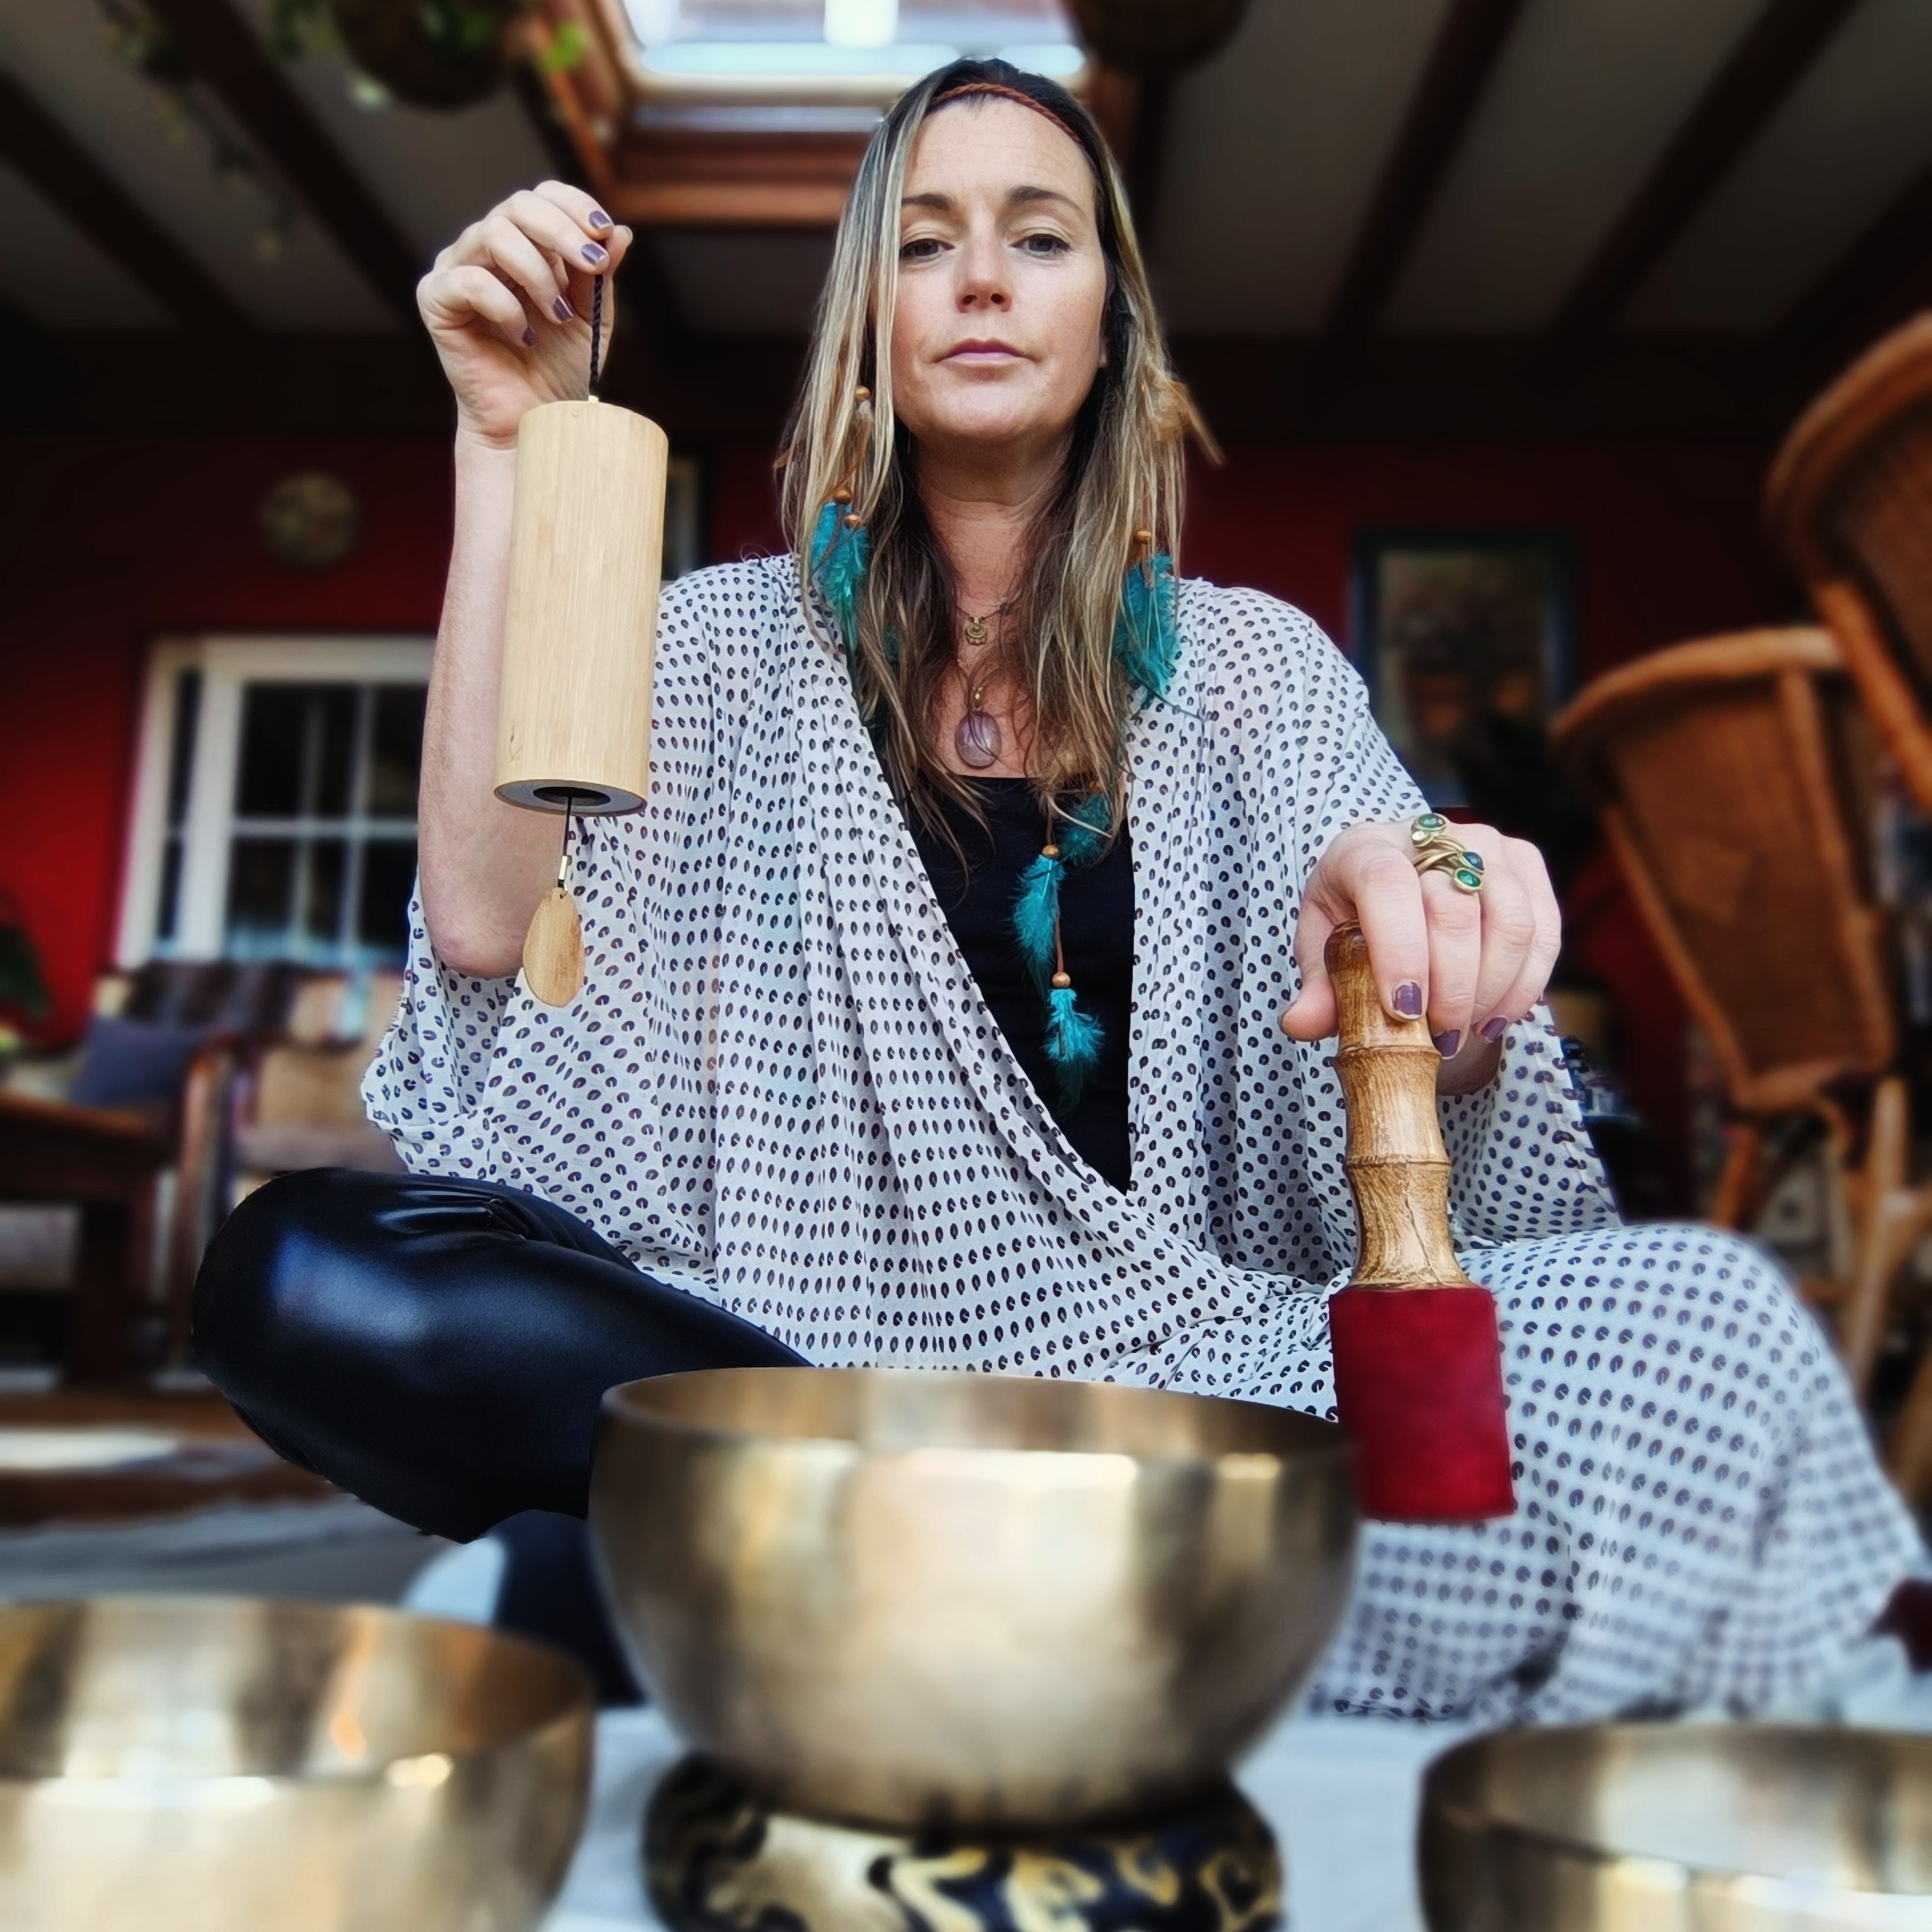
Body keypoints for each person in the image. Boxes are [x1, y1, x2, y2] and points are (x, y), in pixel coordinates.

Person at [196, 59, 1920, 1722]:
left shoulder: (1257, 673)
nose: (980, 280)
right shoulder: (715, 647)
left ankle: (792, 1589)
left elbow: (1414, 957)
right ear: (869, 313)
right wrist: (506, 441)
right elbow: (498, 943)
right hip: (796, 1375)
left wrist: (1444, 920)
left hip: (1197, 1390)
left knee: (1707, 1324)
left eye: (1040, 234)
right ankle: (911, 1539)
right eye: (924, 239)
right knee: (308, 1281)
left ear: (1113, 318)